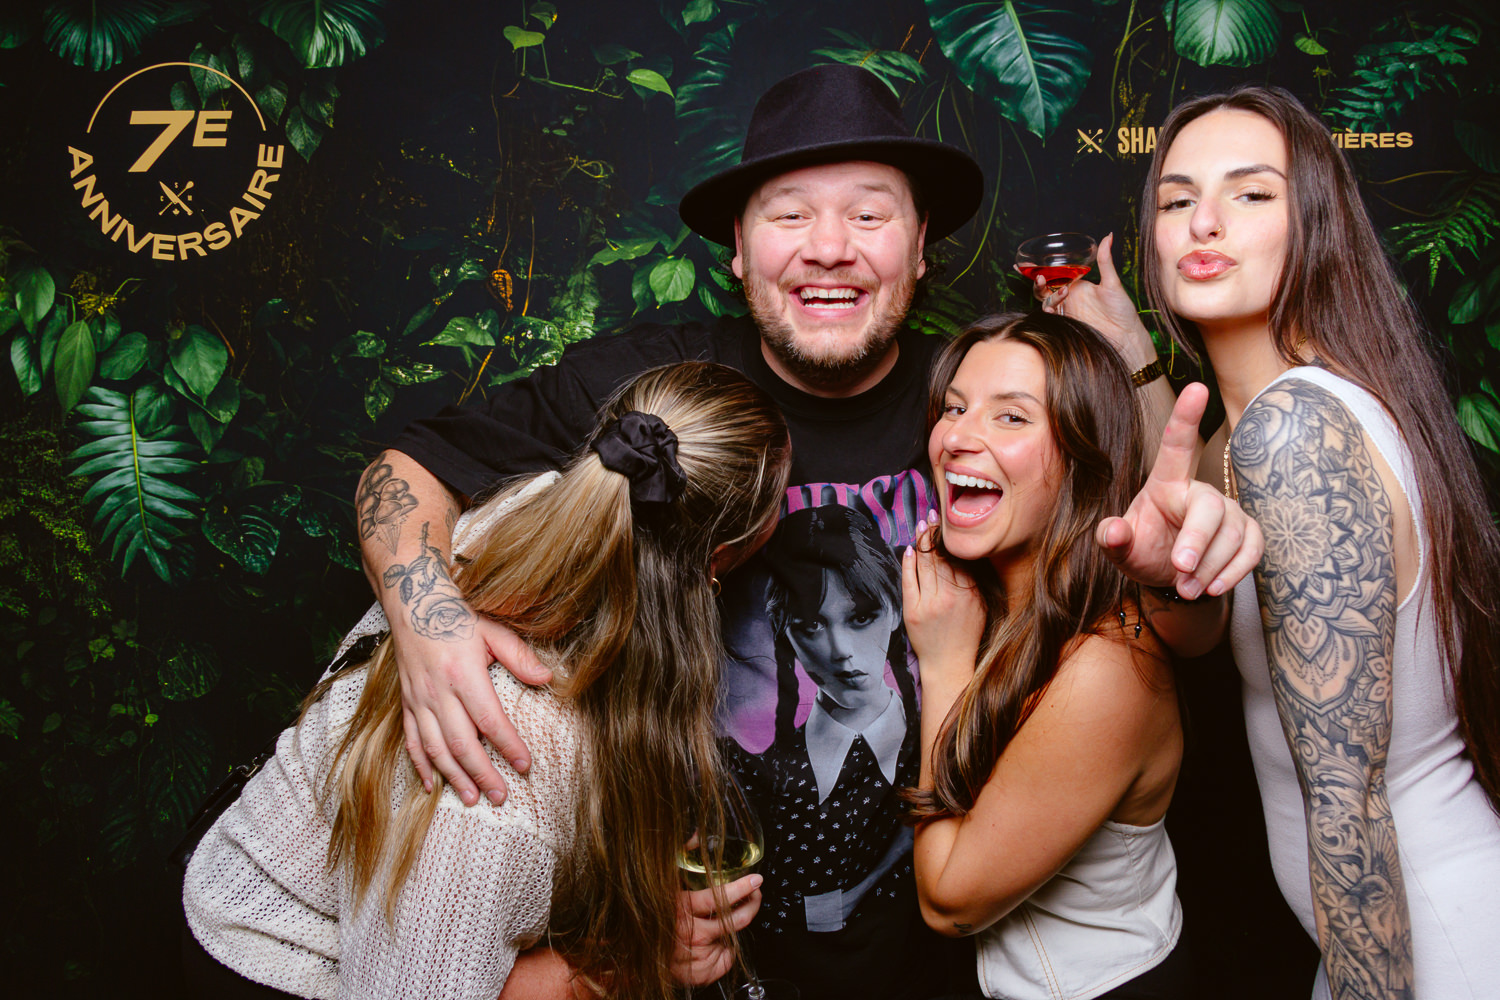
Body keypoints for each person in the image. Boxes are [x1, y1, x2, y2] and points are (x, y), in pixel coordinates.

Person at [358, 64, 1259, 999]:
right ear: (738, 250)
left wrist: (1173, 540)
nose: (830, 248)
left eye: (869, 215)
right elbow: (408, 468)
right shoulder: (661, 393)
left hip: (939, 968)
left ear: (920, 248)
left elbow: (1147, 611)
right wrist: (428, 625)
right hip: (705, 962)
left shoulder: (972, 400)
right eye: (790, 215)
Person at [1063, 84, 1500, 999]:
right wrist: (1134, 354)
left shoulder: (1294, 433)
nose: (1204, 221)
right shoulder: (1277, 417)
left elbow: (1346, 799)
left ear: (1316, 224)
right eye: (1177, 201)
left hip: (1428, 953)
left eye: (1252, 193)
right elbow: (1204, 530)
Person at [181, 362, 792, 1000]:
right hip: (269, 966)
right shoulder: (500, 773)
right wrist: (632, 962)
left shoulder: (554, 499)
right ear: (718, 561)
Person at [902, 312, 1188, 1000]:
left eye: (1011, 417)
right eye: (955, 409)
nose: (957, 437)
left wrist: (944, 663)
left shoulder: (1108, 668)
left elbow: (948, 901)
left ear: (1083, 456)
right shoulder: (1000, 600)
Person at [735, 505, 920, 942]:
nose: (840, 651)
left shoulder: (942, 738)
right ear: (786, 634)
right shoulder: (748, 771)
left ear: (895, 611)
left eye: (861, 617)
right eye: (811, 625)